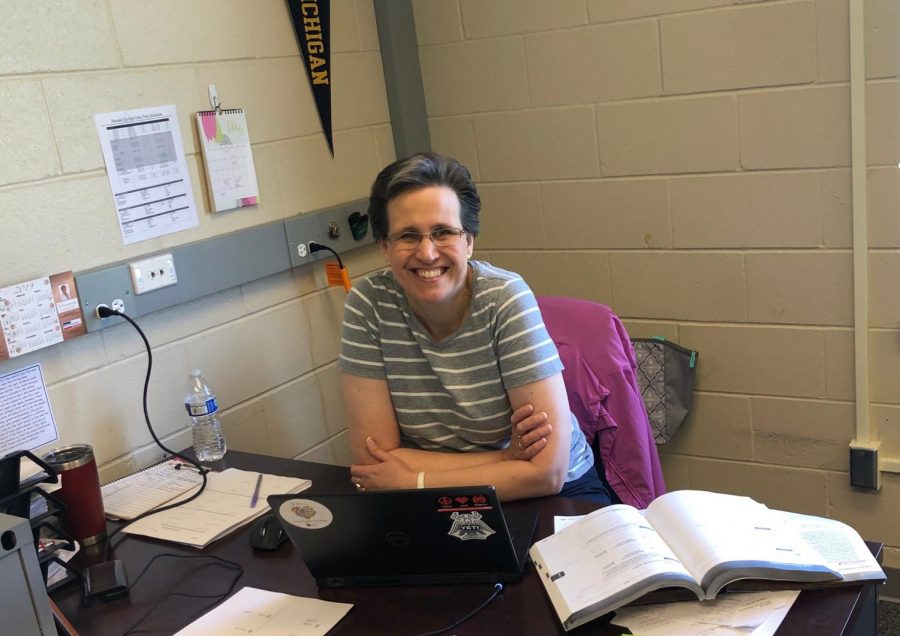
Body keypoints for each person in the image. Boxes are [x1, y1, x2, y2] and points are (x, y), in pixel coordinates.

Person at [339, 152, 610, 504]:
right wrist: (503, 459)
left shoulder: (505, 298)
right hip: (454, 488)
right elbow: (374, 461)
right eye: (408, 235)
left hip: (553, 492)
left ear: (469, 242)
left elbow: (547, 472)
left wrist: (414, 479)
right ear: (385, 248)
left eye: (443, 232)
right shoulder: (368, 303)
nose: (427, 253)